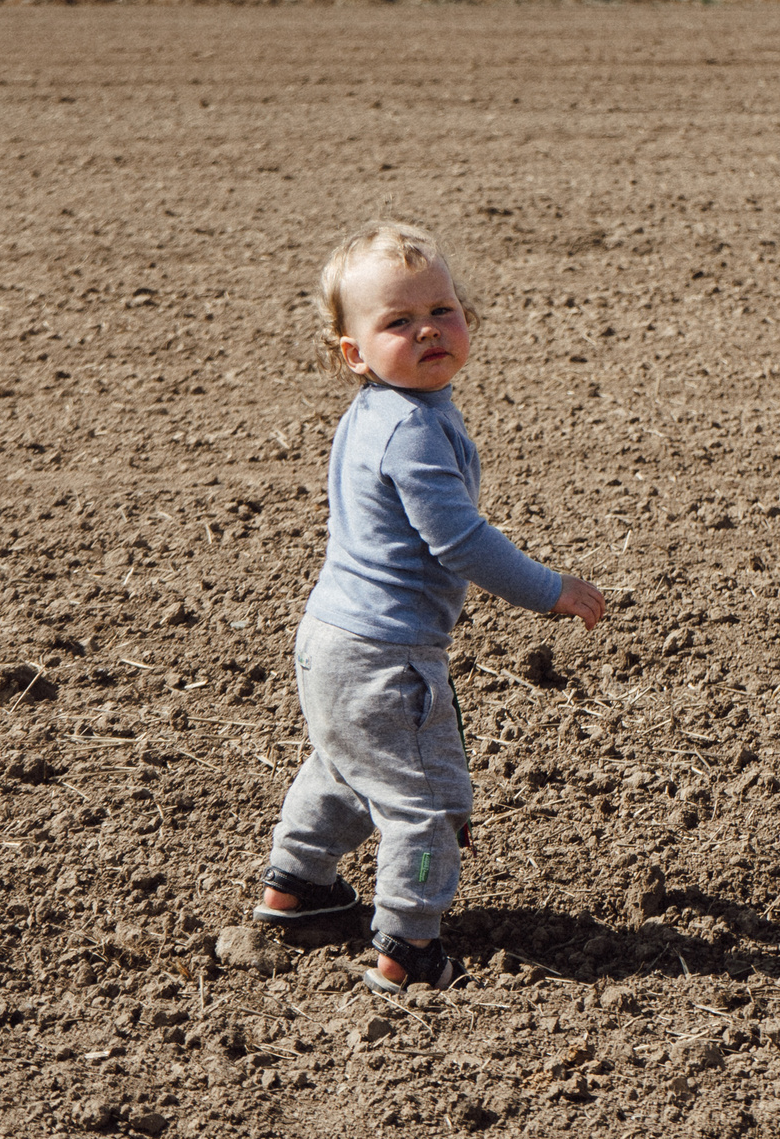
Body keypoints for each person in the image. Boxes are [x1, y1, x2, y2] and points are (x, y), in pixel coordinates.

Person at [253, 220, 606, 993]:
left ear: (467, 317)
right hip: (387, 652)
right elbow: (462, 543)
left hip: (332, 639)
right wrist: (553, 589)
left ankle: (297, 885)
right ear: (354, 352)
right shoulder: (411, 430)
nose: (427, 331)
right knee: (428, 803)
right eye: (397, 322)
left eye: (441, 310)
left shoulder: (380, 412)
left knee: (347, 769)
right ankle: (408, 943)